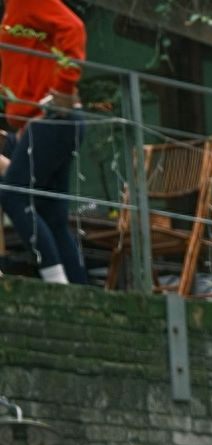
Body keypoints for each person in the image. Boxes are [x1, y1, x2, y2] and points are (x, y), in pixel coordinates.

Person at [0, 0, 88, 286]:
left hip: (52, 118)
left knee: (14, 195)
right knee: (51, 216)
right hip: (39, 122)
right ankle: (80, 292)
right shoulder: (13, 11)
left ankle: (56, 286)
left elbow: (73, 28)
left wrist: (63, 87)